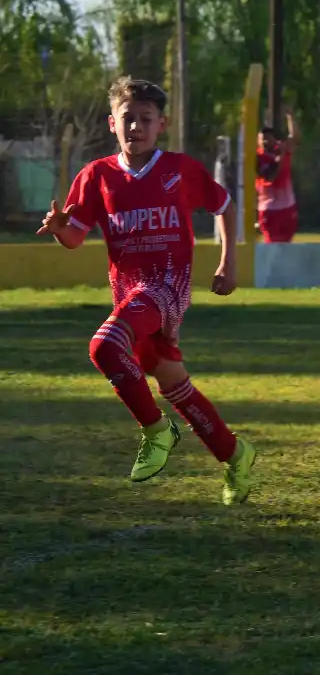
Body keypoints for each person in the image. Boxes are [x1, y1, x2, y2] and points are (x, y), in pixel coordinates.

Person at [38, 77, 257, 505]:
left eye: (146, 119)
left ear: (162, 124)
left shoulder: (179, 169)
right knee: (175, 385)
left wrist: (227, 263)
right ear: (112, 123)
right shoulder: (96, 176)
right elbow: (75, 238)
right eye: (128, 118)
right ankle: (235, 455)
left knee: (103, 346)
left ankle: (156, 431)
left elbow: (225, 206)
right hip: (129, 297)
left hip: (165, 290)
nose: (136, 126)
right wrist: (61, 229)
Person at [256, 107, 299, 243]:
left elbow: (294, 138)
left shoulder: (281, 149)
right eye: (262, 139)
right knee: (272, 245)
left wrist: (290, 116)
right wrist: (280, 156)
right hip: (270, 209)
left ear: (274, 139)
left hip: (288, 206)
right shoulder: (258, 158)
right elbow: (270, 175)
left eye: (267, 139)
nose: (265, 142)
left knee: (286, 244)